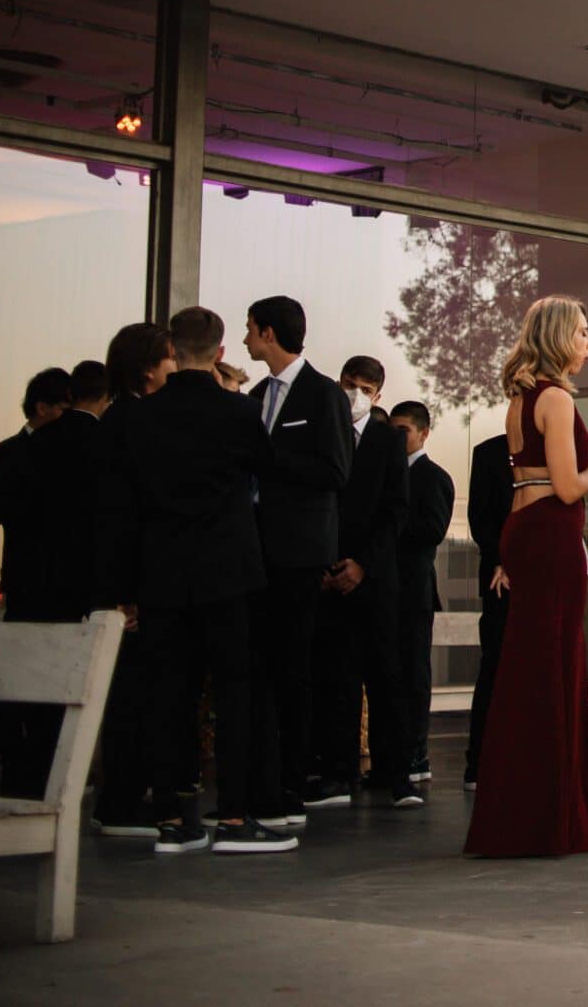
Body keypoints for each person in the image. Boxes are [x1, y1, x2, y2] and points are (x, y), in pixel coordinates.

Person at [110, 307, 293, 854]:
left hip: (162, 573)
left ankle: (172, 818)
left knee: (168, 693)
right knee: (234, 694)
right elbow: (266, 468)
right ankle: (233, 817)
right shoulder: (239, 412)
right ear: (219, 352)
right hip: (227, 572)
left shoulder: (141, 417)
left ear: (172, 348)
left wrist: (125, 587)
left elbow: (125, 507)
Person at [464, 296, 588, 857]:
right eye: (582, 332)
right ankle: (552, 816)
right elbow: (567, 486)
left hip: (527, 532)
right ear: (558, 337)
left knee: (529, 667)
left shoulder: (523, 396)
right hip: (550, 536)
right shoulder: (555, 397)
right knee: (555, 666)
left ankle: (521, 812)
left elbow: (535, 475)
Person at [243, 296, 356, 824]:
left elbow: (336, 470)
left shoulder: (323, 393)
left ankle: (292, 782)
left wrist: (268, 458)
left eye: (250, 329)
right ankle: (260, 782)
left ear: (268, 333)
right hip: (253, 552)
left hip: (300, 553)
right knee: (258, 669)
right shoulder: (255, 396)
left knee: (292, 669)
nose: (245, 339)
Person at [0, 360, 110, 798]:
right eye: (62, 408)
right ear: (42, 407)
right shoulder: (9, 452)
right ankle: (19, 768)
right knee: (17, 681)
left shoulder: (61, 450)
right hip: (26, 582)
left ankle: (39, 771)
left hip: (59, 585)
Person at [306, 355, 415, 810]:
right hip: (328, 575)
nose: (355, 394)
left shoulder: (389, 441)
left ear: (378, 395)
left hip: (374, 578)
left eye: (365, 389)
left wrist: (363, 565)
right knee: (336, 678)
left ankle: (397, 774)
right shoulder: (319, 433)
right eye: (350, 384)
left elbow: (396, 511)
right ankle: (338, 771)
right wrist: (324, 565)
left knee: (385, 674)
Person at [90, 321, 175, 838]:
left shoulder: (118, 419)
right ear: (148, 369)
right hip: (132, 588)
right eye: (170, 358)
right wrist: (127, 593)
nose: (176, 367)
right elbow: (121, 515)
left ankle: (123, 797)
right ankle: (121, 802)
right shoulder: (134, 422)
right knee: (133, 695)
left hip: (128, 582)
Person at [391, 400, 453, 788]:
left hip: (413, 589)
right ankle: (393, 755)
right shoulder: (385, 473)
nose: (396, 439)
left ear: (423, 433)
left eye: (404, 431)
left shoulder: (433, 477)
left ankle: (416, 752)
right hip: (384, 587)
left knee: (414, 672)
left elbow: (432, 530)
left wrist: (389, 526)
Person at [462, 428, 510, 790]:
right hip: (499, 577)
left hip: (542, 572)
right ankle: (478, 763)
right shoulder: (489, 452)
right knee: (494, 666)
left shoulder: (556, 449)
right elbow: (480, 517)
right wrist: (501, 559)